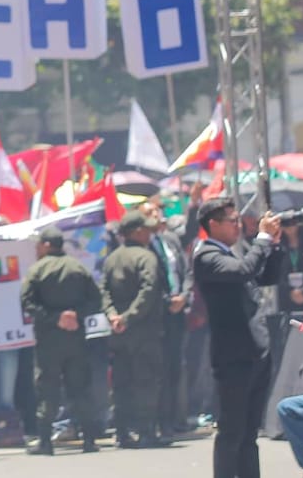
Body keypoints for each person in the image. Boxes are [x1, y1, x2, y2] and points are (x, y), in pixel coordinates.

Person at [193, 198, 283, 478]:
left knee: (249, 434)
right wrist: (263, 238)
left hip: (254, 353)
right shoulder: (207, 256)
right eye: (232, 221)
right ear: (213, 224)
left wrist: (274, 244)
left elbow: (264, 276)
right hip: (233, 358)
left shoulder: (234, 254)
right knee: (231, 432)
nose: (238, 226)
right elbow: (244, 271)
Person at [20, 223, 101, 456]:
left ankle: (45, 441)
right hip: (76, 338)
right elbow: (96, 300)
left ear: (46, 245)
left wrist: (56, 318)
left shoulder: (37, 271)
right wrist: (76, 315)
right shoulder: (78, 268)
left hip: (48, 340)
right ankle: (89, 439)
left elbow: (28, 305)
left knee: (48, 389)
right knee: (81, 388)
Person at [102, 209, 164, 448]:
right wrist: (128, 318)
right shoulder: (146, 257)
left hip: (118, 333)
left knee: (121, 382)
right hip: (144, 331)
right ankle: (147, 432)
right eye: (147, 229)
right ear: (137, 232)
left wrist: (113, 316)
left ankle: (122, 432)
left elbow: (103, 291)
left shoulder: (112, 258)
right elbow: (148, 292)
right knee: (146, 381)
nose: (150, 233)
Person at [142, 198, 194, 435]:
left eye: (158, 210)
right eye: (150, 211)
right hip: (157, 316)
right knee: (158, 370)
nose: (157, 213)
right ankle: (158, 420)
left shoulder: (170, 240)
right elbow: (148, 283)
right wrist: (166, 301)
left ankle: (174, 418)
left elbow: (185, 270)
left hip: (178, 312)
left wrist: (183, 295)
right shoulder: (142, 247)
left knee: (175, 367)